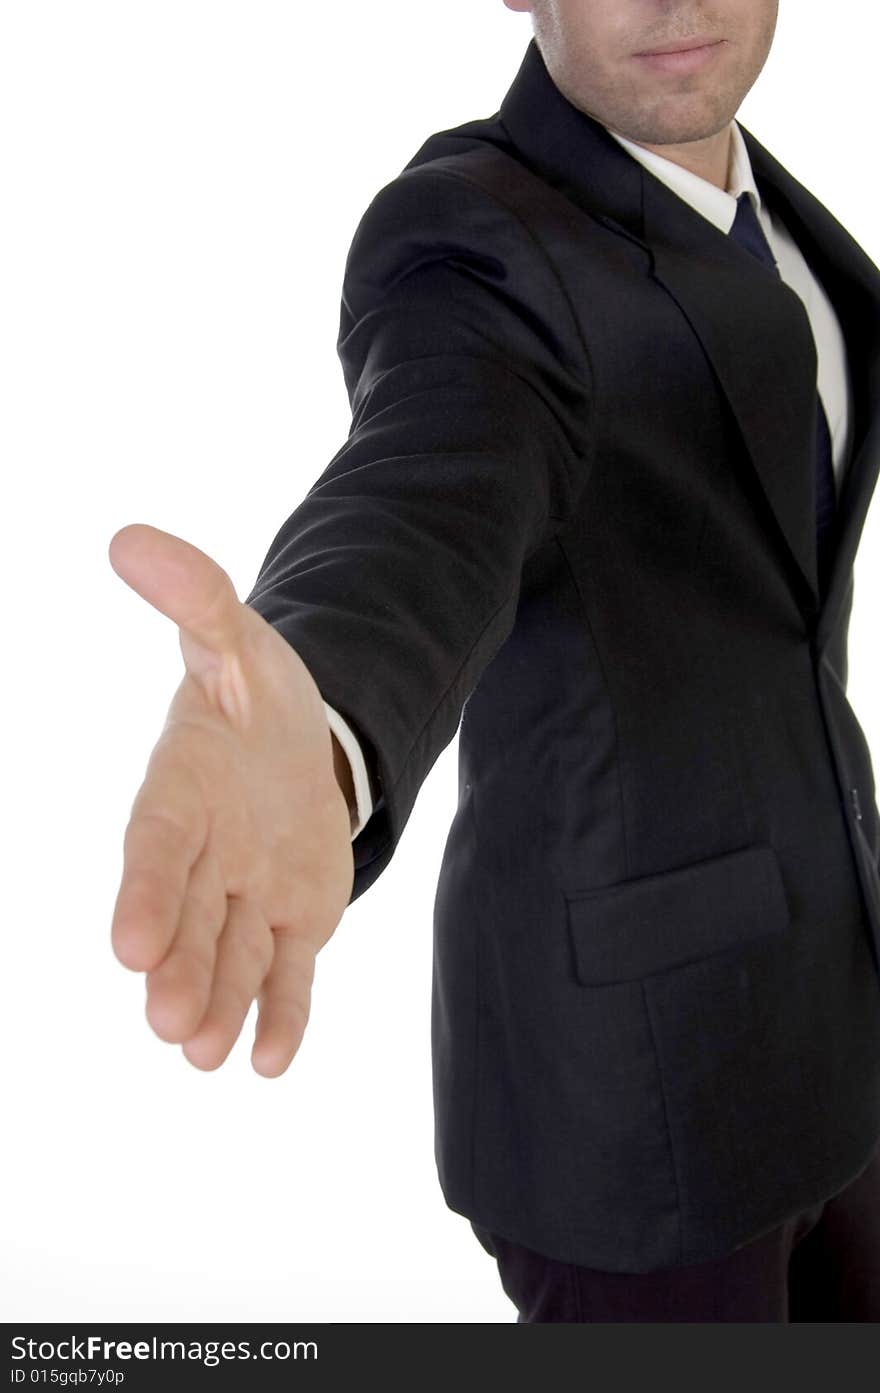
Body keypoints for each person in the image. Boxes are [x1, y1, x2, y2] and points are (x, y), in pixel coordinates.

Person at [108, 1, 880, 1321]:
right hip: (633, 1119)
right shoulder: (472, 243)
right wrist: (329, 709)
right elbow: (432, 477)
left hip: (839, 1030)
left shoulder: (787, 213)